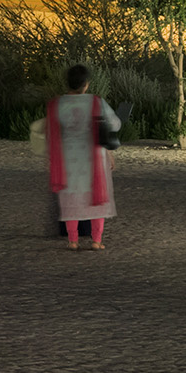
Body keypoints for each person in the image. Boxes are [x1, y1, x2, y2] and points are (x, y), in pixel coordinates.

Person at [46, 64, 119, 251]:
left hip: (68, 156)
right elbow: (113, 124)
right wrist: (110, 152)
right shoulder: (95, 102)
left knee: (71, 198)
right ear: (86, 84)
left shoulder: (57, 104)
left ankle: (73, 240)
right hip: (93, 156)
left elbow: (52, 132)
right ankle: (96, 240)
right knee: (96, 196)